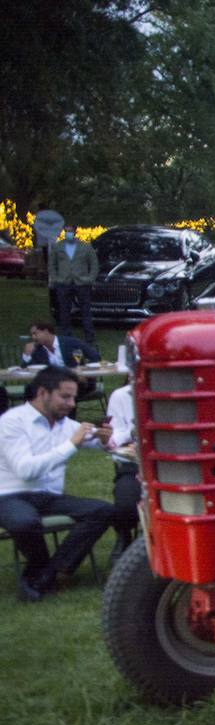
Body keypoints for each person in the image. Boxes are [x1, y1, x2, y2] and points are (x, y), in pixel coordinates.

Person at [0, 366, 115, 601]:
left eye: (73, 397)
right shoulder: (12, 422)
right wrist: (71, 444)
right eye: (65, 397)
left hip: (48, 496)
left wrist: (104, 439)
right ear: (43, 393)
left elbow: (99, 439)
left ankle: (50, 573)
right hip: (9, 494)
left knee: (102, 511)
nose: (72, 404)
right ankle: (42, 571)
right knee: (23, 522)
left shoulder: (64, 424)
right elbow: (26, 470)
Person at [49, 222, 99, 344]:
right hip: (63, 282)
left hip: (82, 283)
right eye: (66, 231)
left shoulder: (86, 247)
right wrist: (56, 278)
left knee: (85, 310)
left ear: (75, 232)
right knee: (64, 310)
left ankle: (89, 336)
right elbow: (51, 264)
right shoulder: (57, 247)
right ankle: (65, 335)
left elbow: (94, 264)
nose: (68, 233)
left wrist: (90, 279)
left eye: (70, 231)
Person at [104, 382, 139, 560]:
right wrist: (131, 431)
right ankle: (124, 535)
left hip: (177, 465)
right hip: (134, 464)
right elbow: (113, 439)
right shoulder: (121, 396)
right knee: (125, 501)